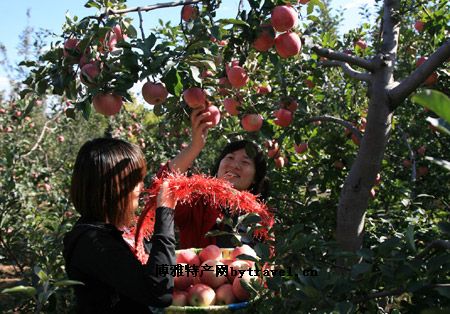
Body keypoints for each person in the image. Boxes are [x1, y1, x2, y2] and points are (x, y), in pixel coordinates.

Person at [63, 138, 177, 314]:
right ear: (111, 187)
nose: (141, 187)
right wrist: (166, 213)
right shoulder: (92, 243)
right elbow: (159, 292)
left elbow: (157, 267)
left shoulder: (118, 230)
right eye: (134, 180)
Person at [157, 107, 269, 249]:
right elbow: (164, 186)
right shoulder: (197, 203)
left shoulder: (261, 219)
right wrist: (195, 146)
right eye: (230, 157)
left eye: (245, 162)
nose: (235, 165)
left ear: (255, 177)